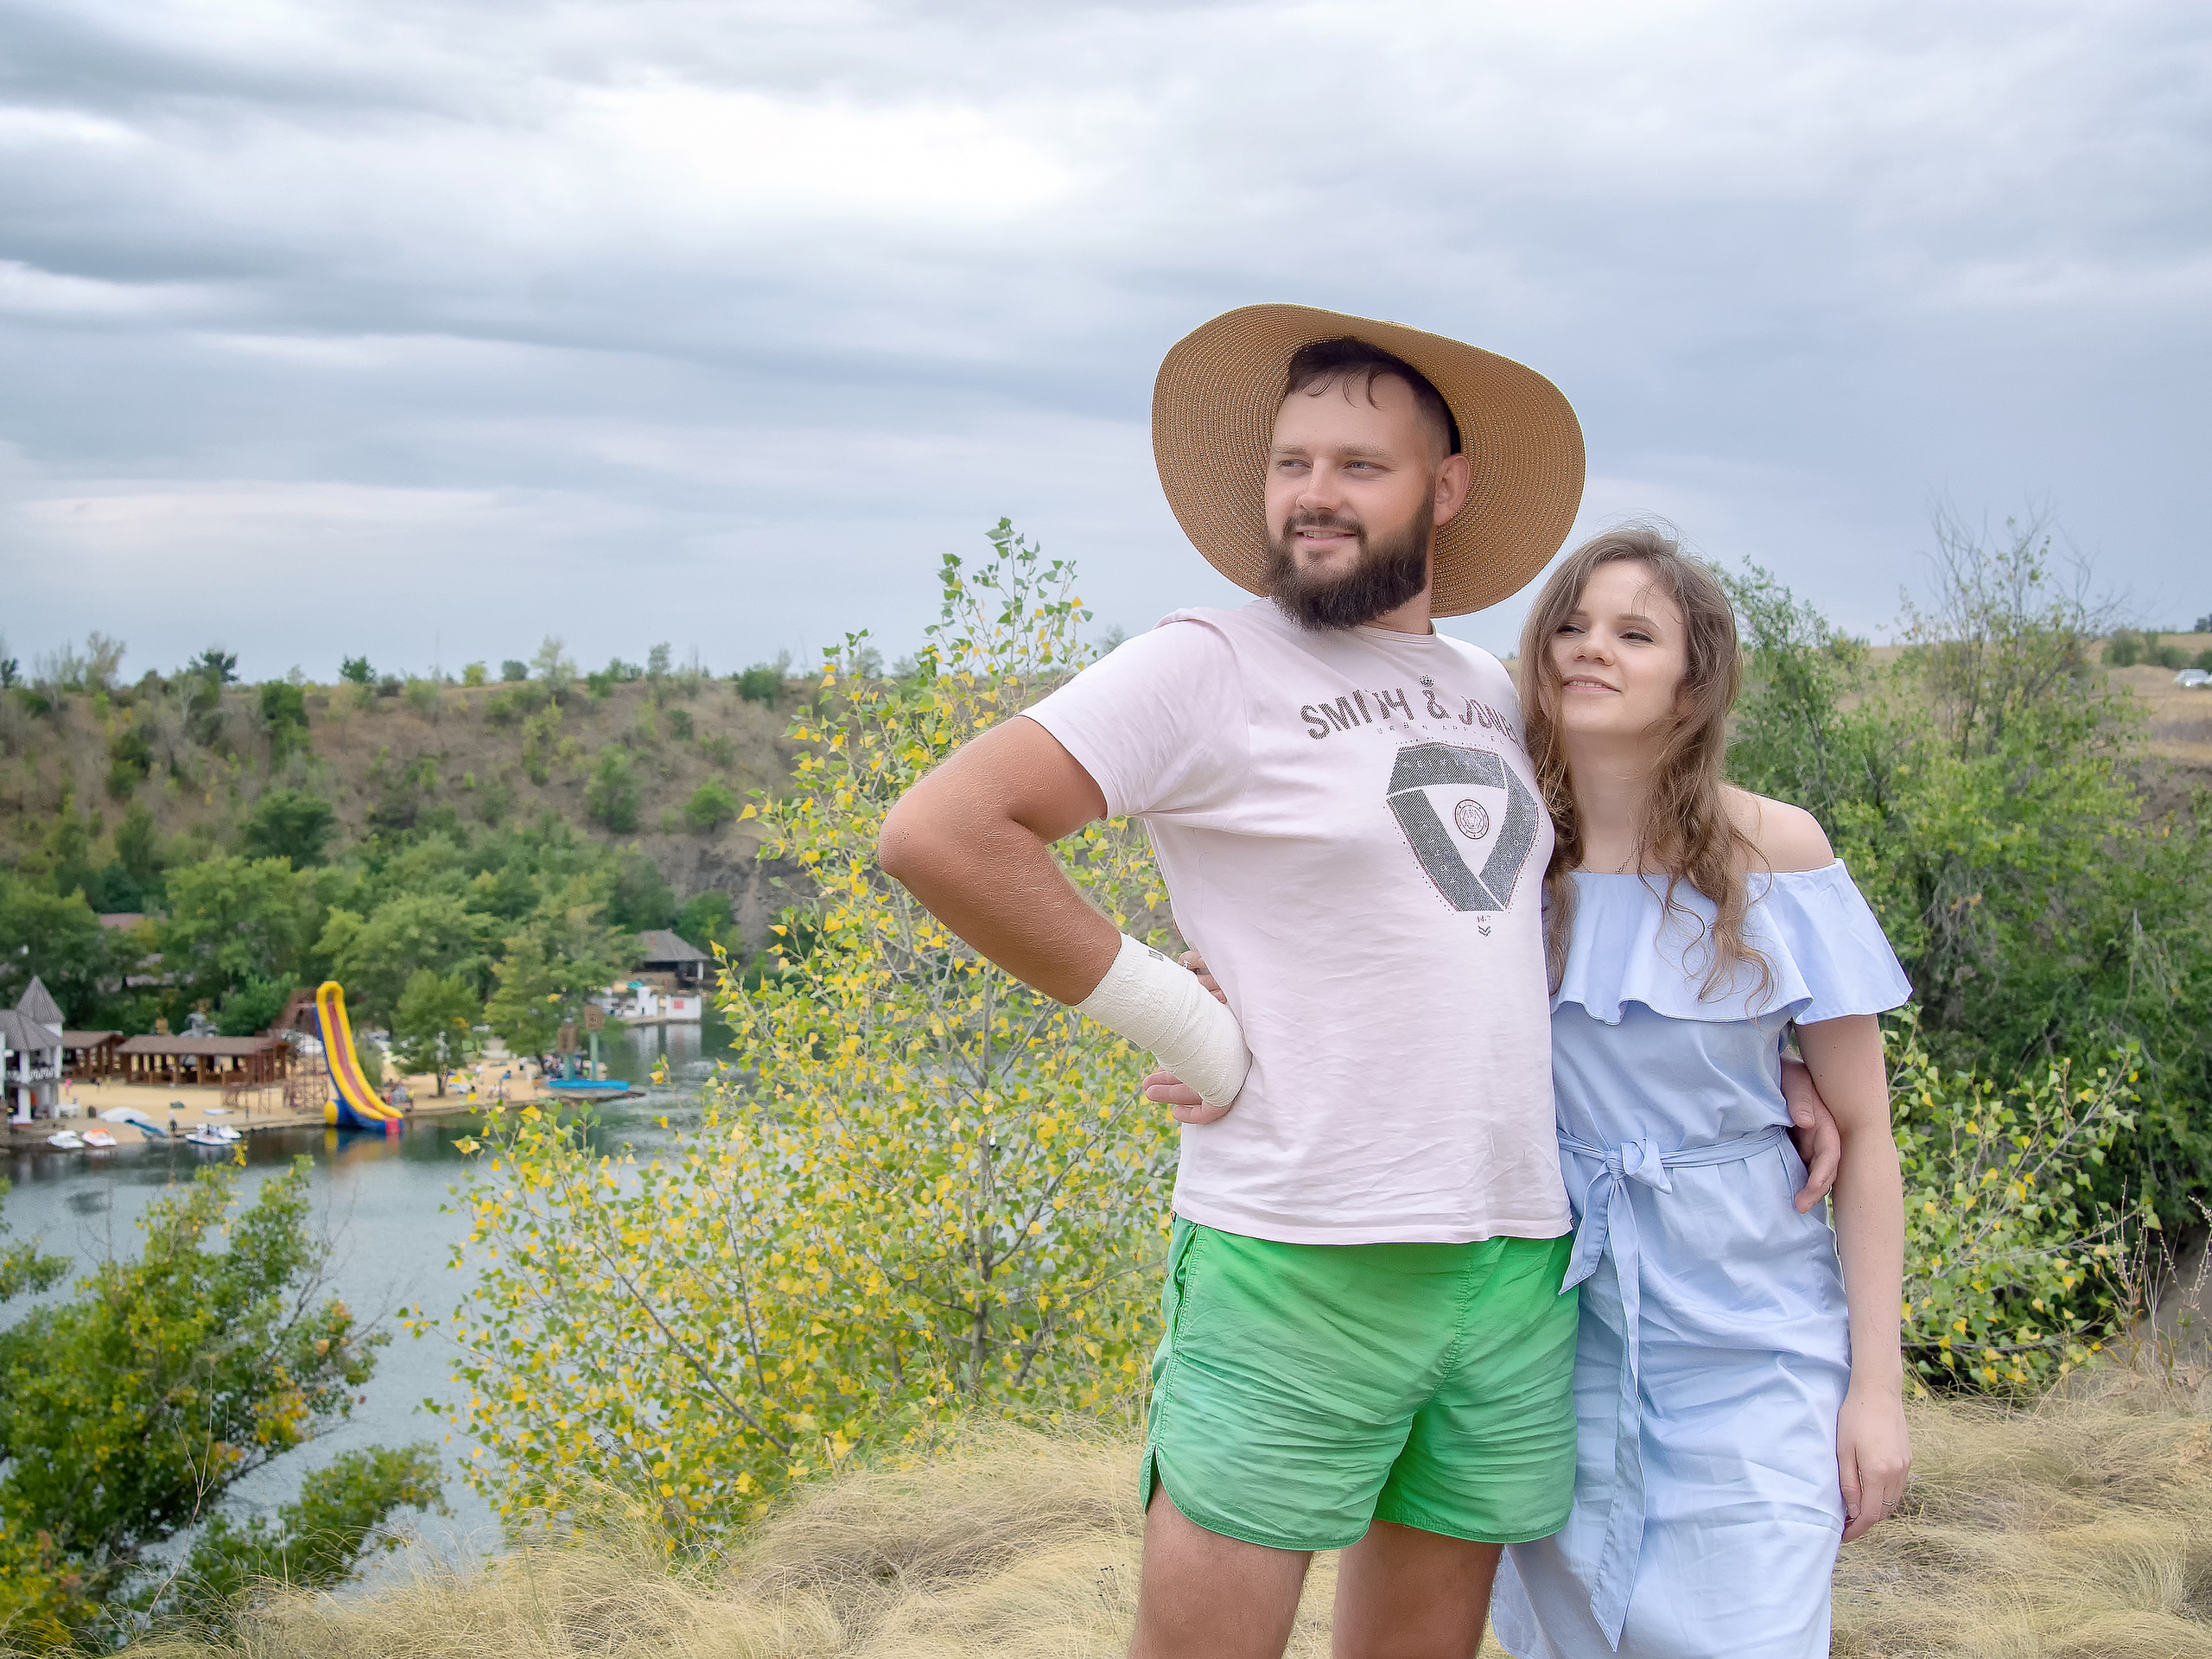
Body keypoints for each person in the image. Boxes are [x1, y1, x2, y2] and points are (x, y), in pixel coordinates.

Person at [879, 305, 1842, 1659]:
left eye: (1359, 466)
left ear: (1445, 490)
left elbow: (1590, 881)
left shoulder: (1493, 692)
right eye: (1292, 463)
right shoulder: (1206, 663)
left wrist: (1753, 1057)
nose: (1314, 495)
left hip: (1516, 1263)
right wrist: (1186, 1018)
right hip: (1296, 1254)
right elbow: (943, 832)